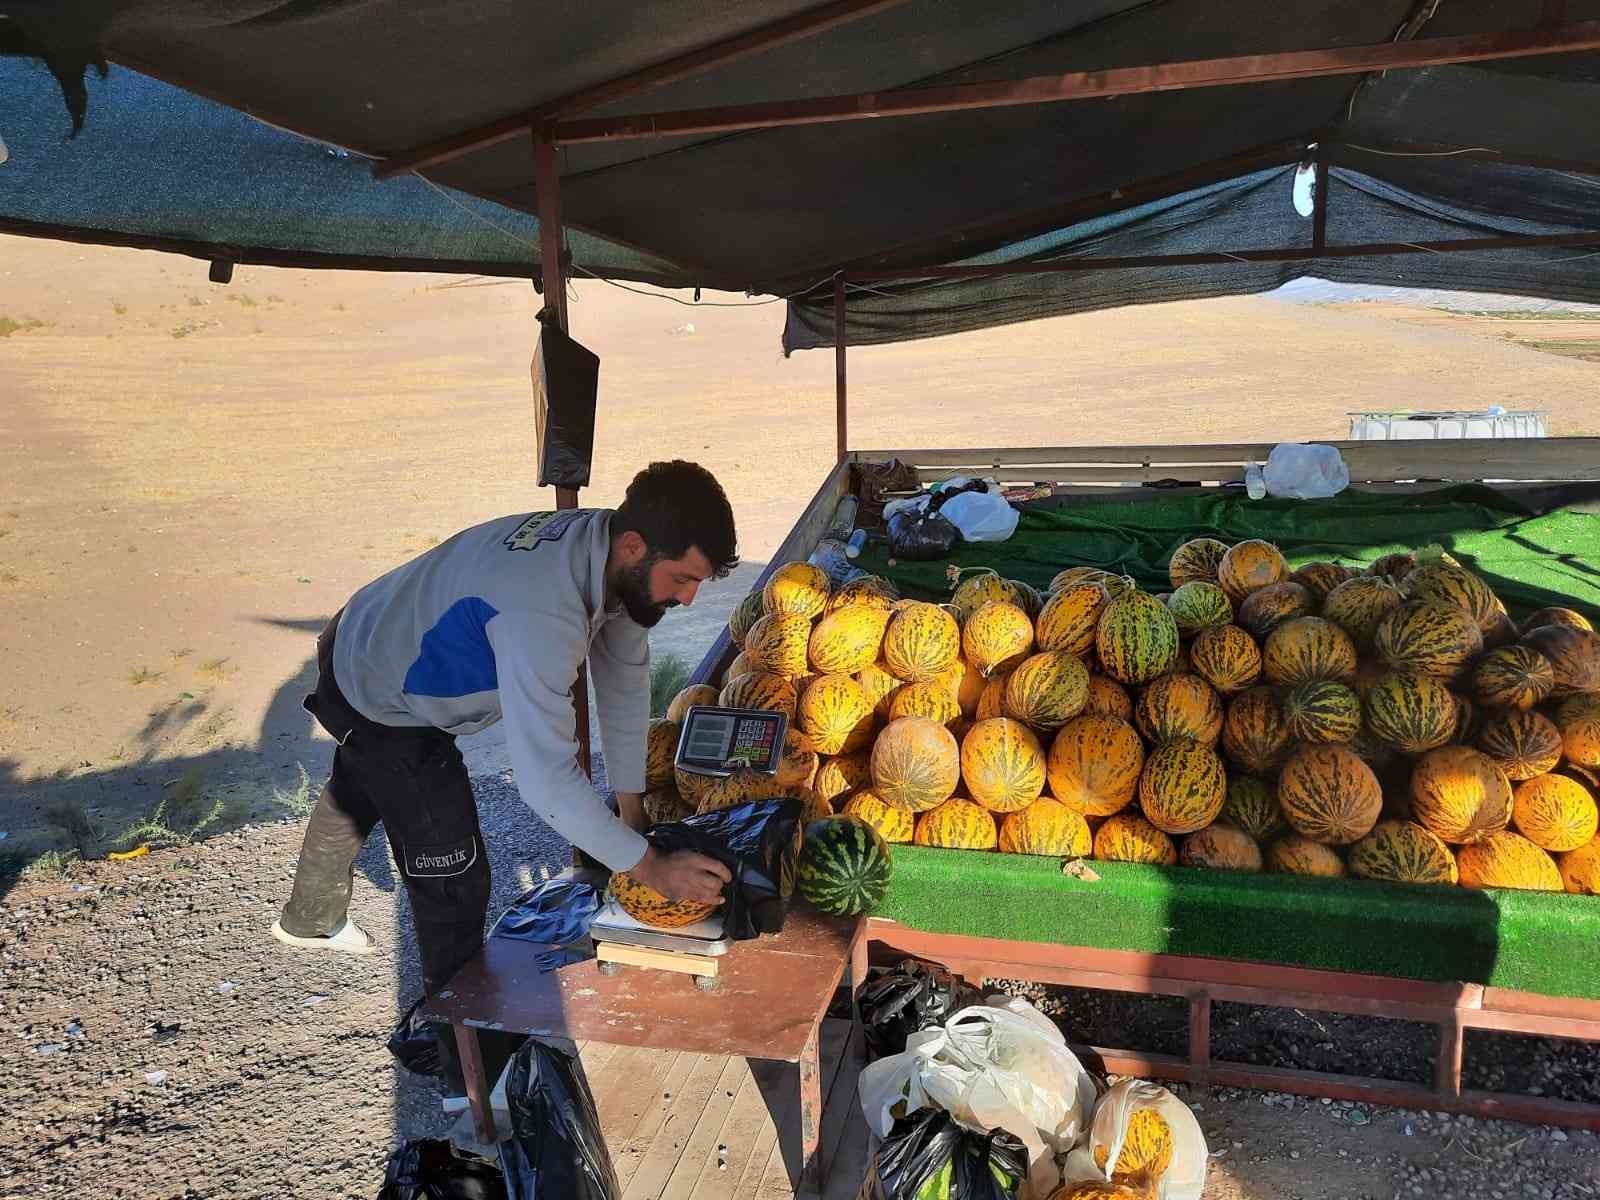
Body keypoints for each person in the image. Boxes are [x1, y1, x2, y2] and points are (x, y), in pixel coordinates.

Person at [270, 460, 737, 1008]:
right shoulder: (543, 613)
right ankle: (455, 1059)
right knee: (454, 876)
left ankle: (308, 919)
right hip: (378, 685)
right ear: (636, 546)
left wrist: (631, 810)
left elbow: (624, 679)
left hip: (372, 626)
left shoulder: (606, 553)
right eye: (682, 580)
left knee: (361, 780)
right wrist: (650, 865)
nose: (688, 600)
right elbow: (546, 781)